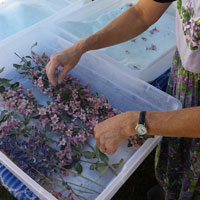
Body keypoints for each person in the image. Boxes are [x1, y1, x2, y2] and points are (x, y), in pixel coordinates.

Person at [45, 0, 200, 199]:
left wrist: (136, 123)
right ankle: (173, 189)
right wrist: (82, 46)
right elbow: (141, 13)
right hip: (187, 76)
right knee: (177, 153)